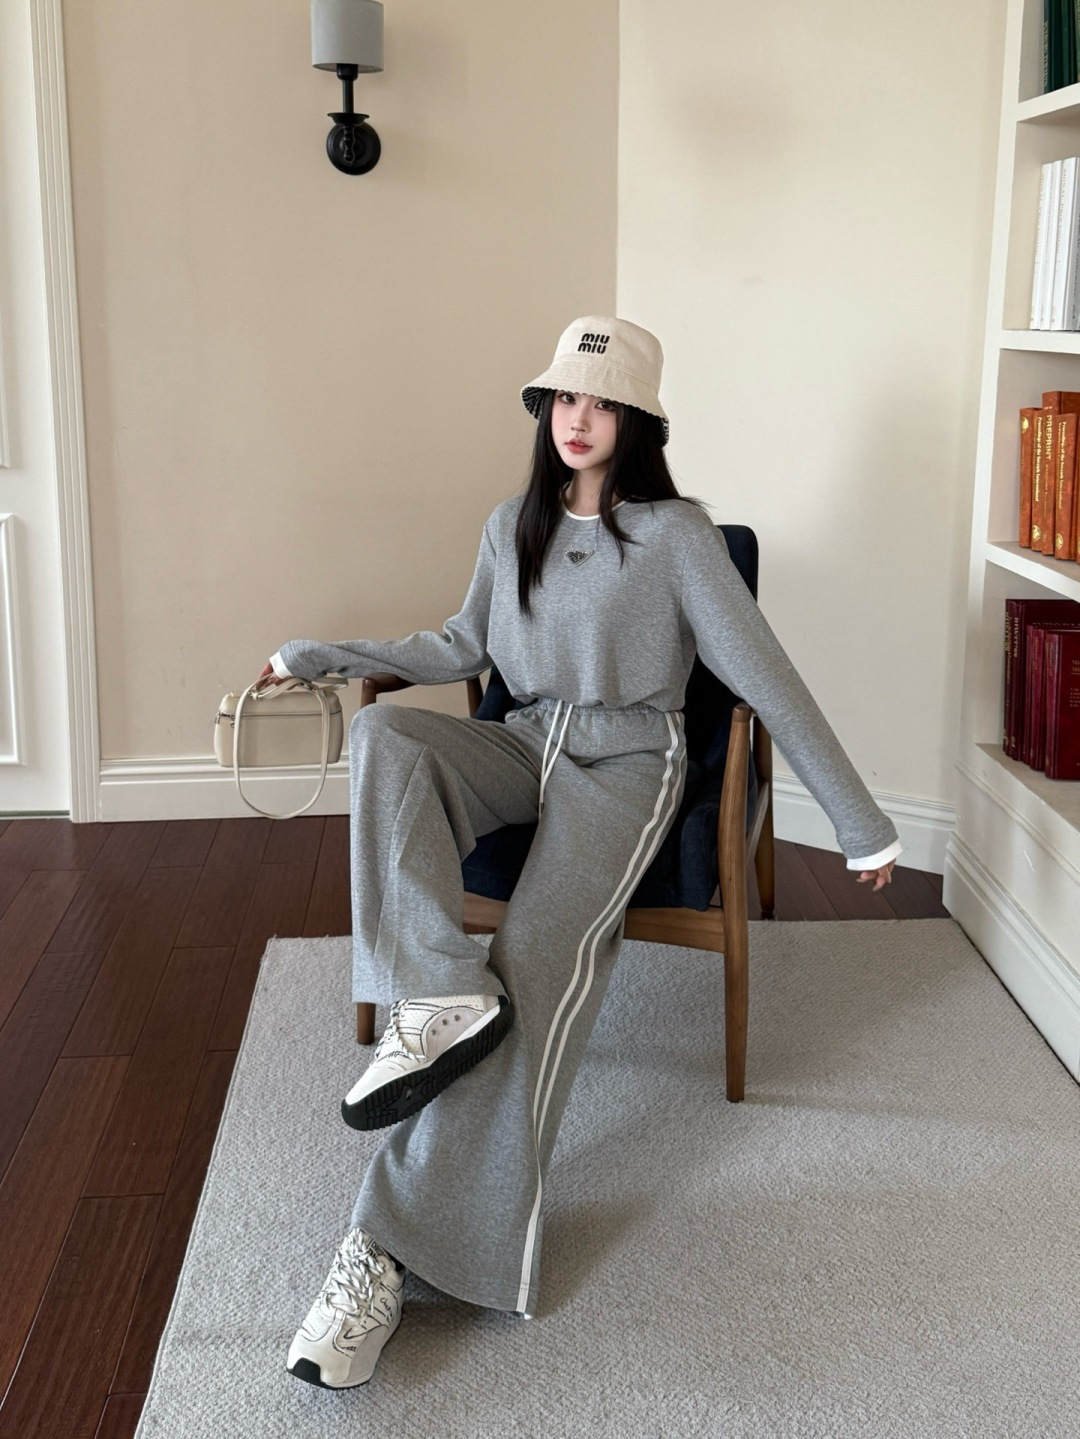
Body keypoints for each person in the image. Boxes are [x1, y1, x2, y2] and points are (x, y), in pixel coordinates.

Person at [259, 316, 902, 1390]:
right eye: (564, 397)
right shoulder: (509, 523)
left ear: (637, 420)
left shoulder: (679, 537)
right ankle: (436, 992)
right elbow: (457, 645)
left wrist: (858, 818)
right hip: (523, 743)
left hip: (628, 766)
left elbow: (763, 673)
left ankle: (385, 1246)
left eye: (601, 402)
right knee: (387, 738)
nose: (578, 417)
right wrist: (315, 656)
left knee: (535, 966)